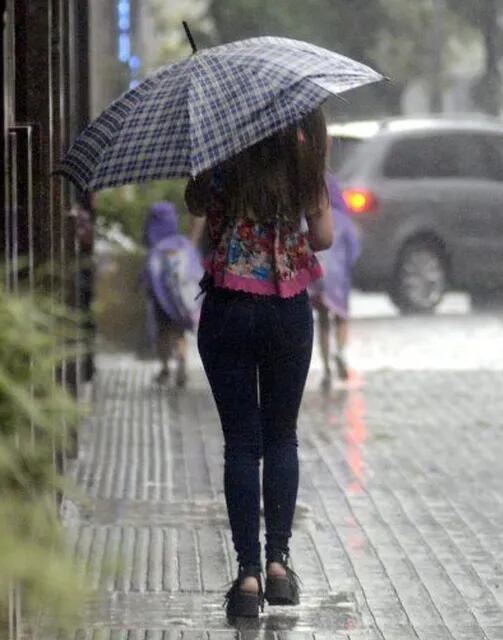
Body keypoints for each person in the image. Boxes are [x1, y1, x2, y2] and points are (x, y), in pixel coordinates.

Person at [185, 109, 333, 619]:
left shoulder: (220, 158)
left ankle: (247, 575)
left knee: (241, 445)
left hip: (227, 308)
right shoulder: (301, 158)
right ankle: (277, 564)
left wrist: (211, 149)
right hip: (286, 309)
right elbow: (325, 237)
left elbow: (196, 204)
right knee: (281, 437)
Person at [142, 201, 201, 387]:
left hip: (161, 302)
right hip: (182, 303)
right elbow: (195, 273)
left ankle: (165, 368)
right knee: (180, 333)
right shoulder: (183, 245)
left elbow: (149, 275)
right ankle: (182, 362)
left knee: (162, 333)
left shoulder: (156, 249)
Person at [310, 175, 360, 389]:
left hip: (318, 278)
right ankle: (340, 351)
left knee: (322, 320)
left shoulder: (314, 218)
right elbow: (354, 251)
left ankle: (327, 368)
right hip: (339, 280)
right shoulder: (344, 222)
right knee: (341, 317)